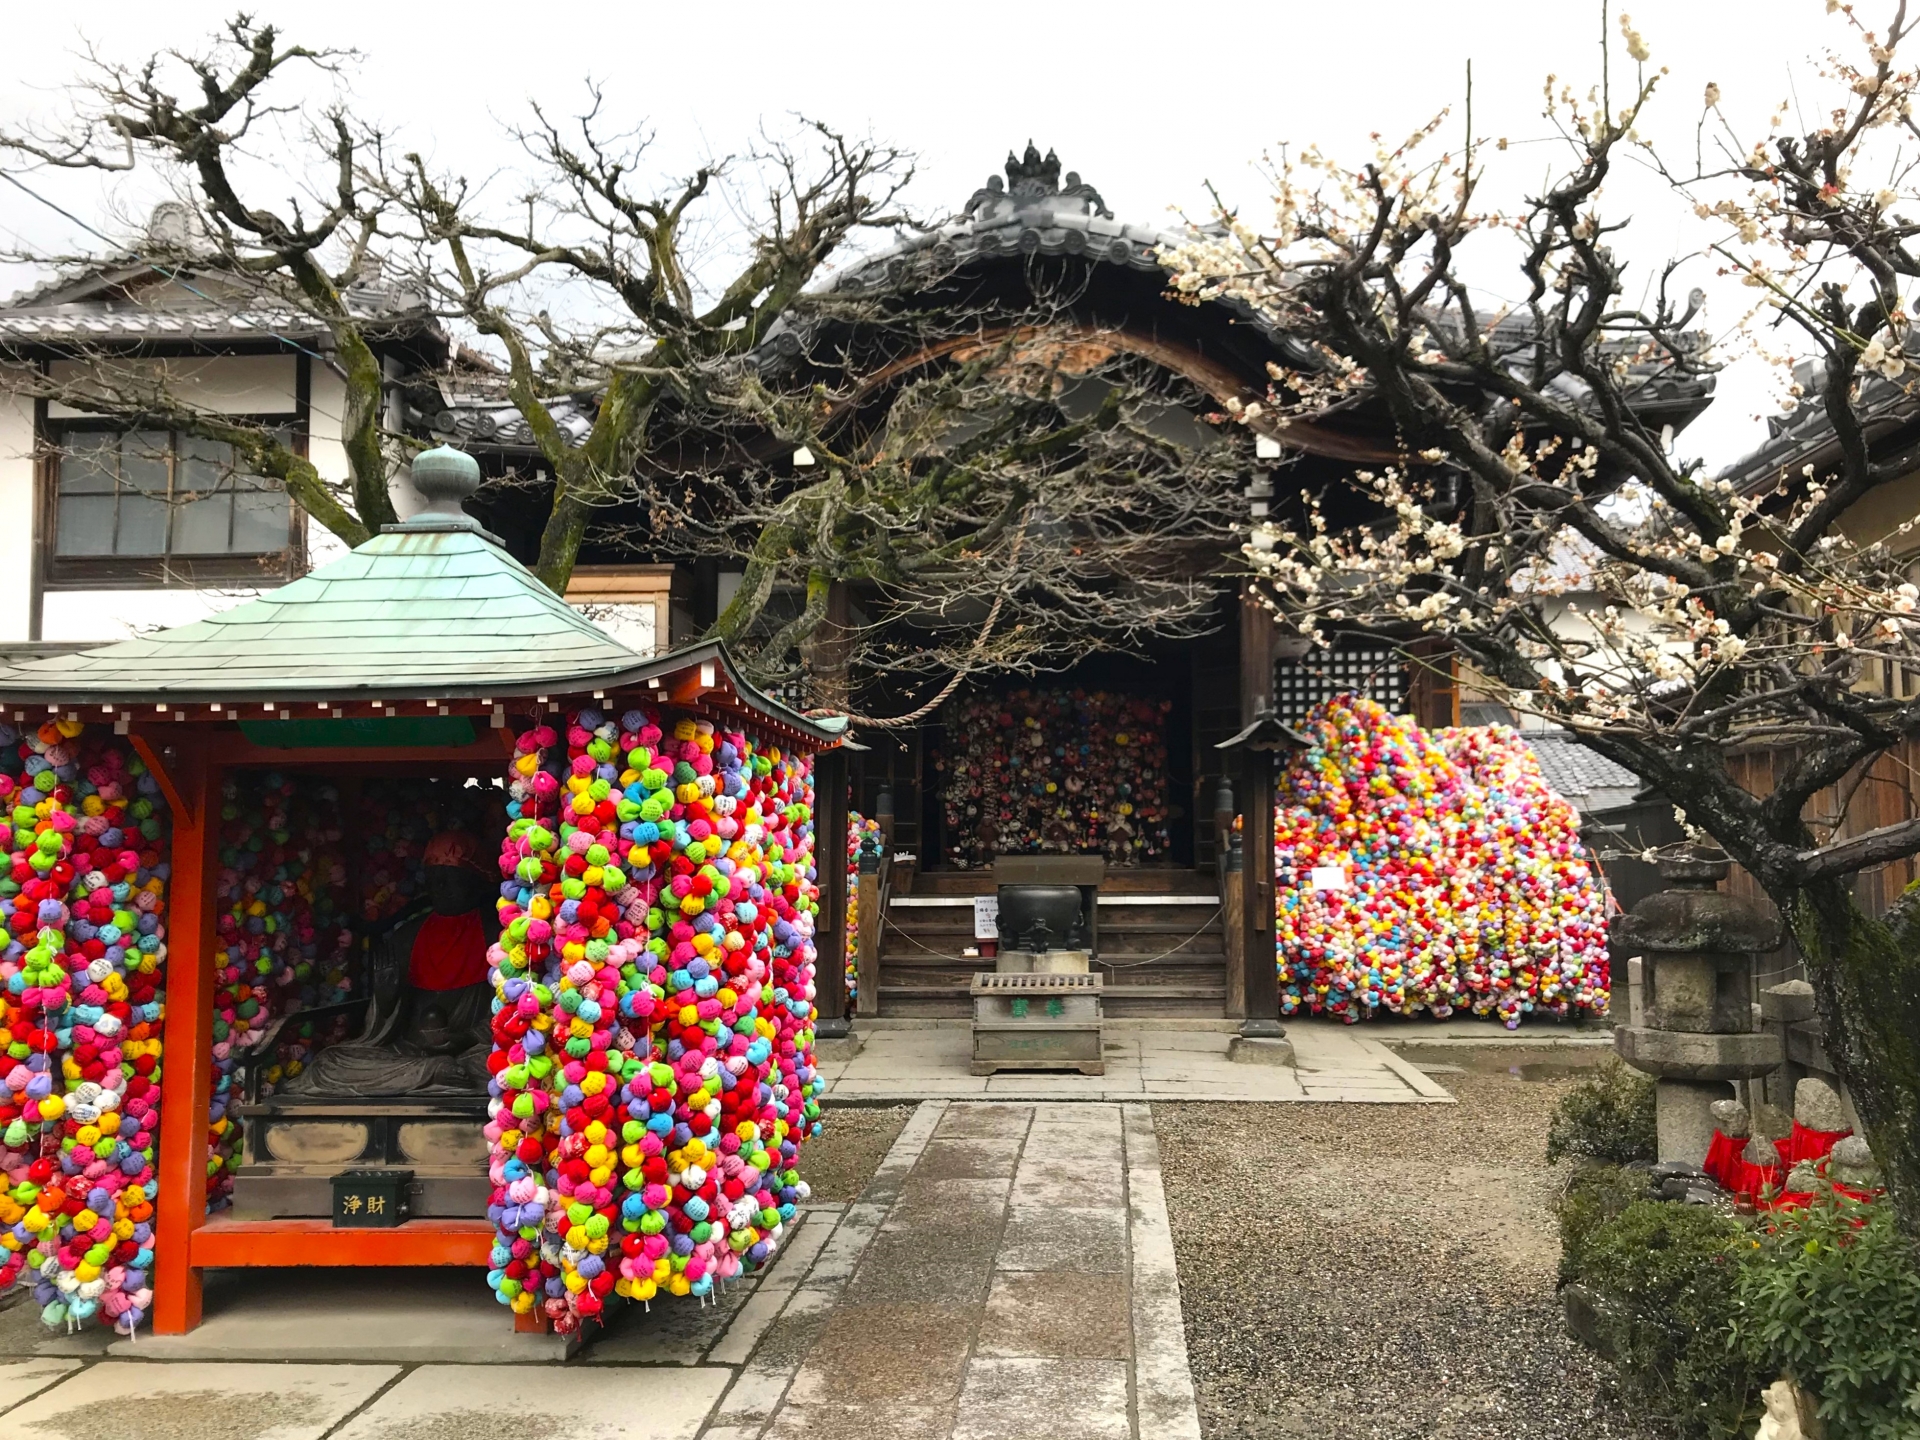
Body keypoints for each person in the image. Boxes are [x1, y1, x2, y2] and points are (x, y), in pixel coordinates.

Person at [283, 830, 498, 1097]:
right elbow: (386, 1028)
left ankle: (437, 1073)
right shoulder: (407, 935)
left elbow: (507, 1011)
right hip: (409, 1051)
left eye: (451, 880)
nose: (440, 889)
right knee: (328, 1063)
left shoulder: (497, 934)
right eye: (434, 880)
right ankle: (431, 1072)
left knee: (503, 1066)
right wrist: (386, 1000)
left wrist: (466, 1037)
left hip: (471, 1052)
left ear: (476, 882)